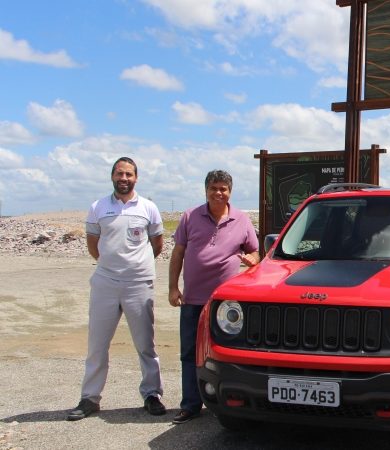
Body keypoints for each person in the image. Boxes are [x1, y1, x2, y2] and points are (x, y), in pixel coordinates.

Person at [67, 157, 166, 421]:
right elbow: (93, 245)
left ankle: (152, 395)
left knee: (146, 345)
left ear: (136, 178)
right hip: (105, 283)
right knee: (97, 344)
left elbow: (157, 244)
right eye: (120, 173)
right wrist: (113, 266)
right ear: (112, 176)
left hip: (139, 283)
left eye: (129, 174)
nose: (124, 178)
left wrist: (135, 266)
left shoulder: (149, 208)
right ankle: (90, 398)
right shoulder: (98, 207)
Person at [168, 170, 259, 425]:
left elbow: (255, 252)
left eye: (223, 189)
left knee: (227, 353)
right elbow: (178, 253)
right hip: (193, 300)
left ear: (230, 191)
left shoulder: (241, 219)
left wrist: (252, 260)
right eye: (214, 188)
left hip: (226, 304)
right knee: (189, 353)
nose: (218, 193)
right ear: (205, 190)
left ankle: (228, 401)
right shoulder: (190, 216)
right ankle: (191, 405)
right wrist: (173, 288)